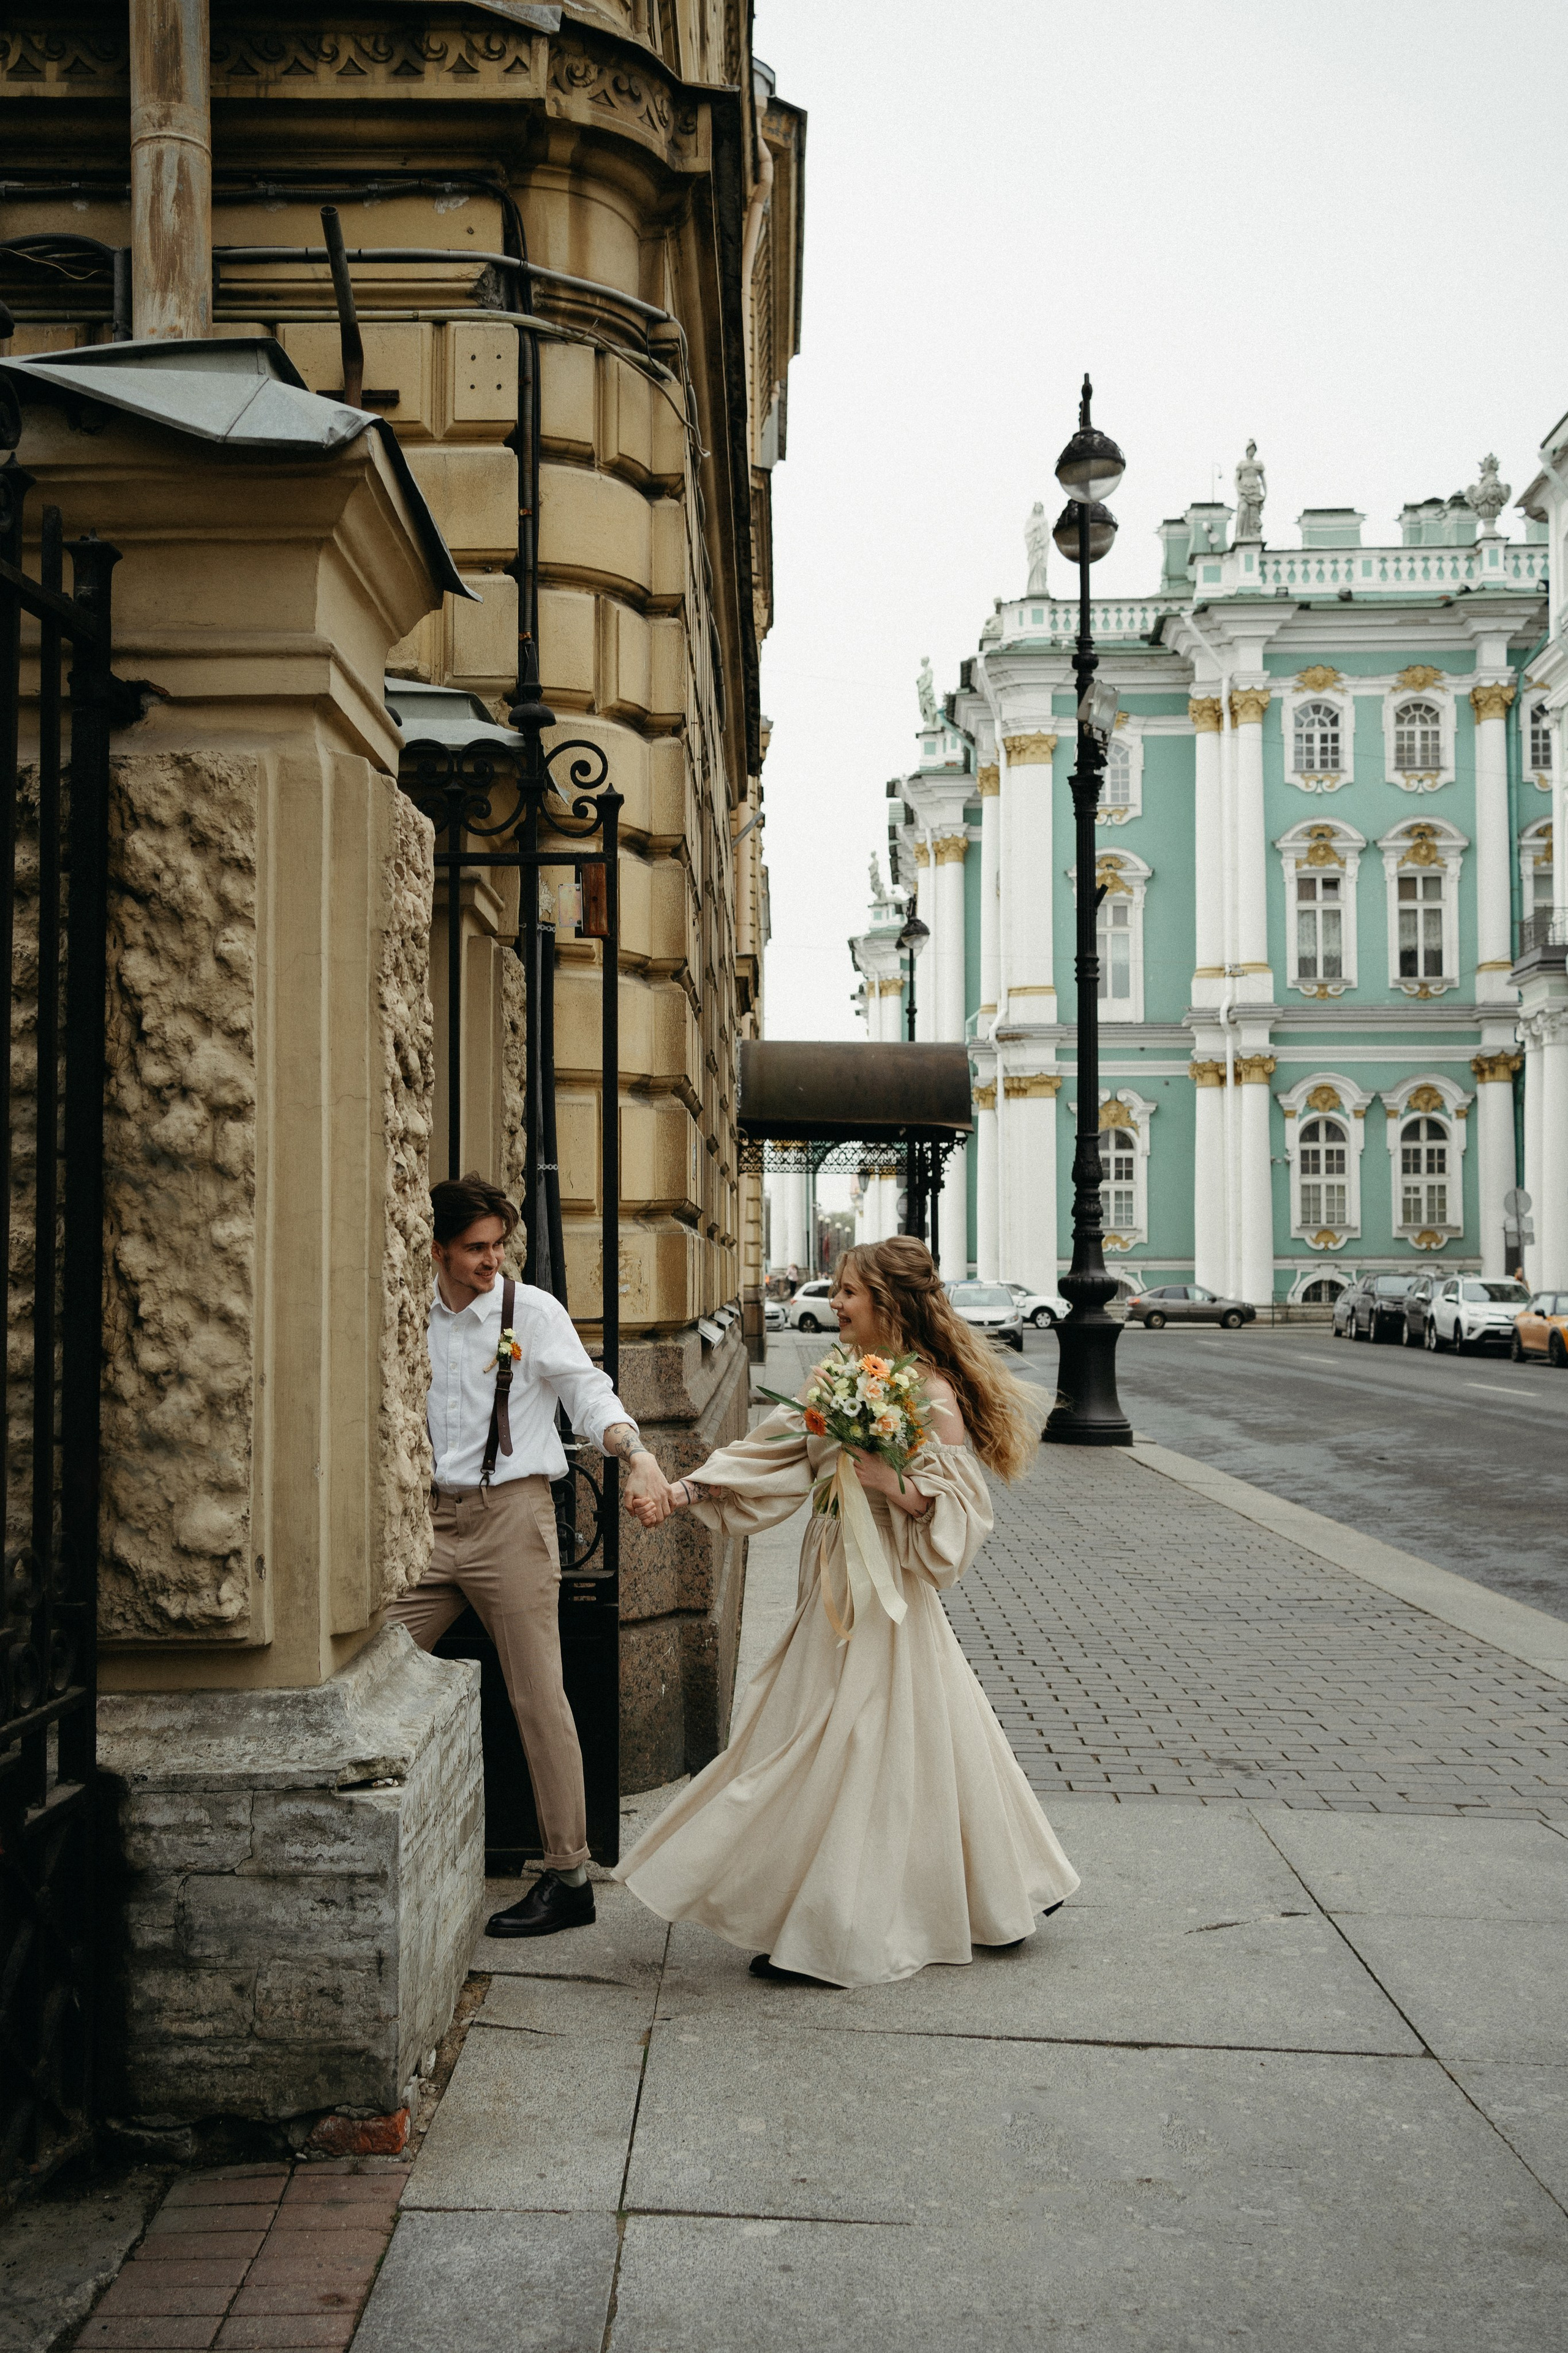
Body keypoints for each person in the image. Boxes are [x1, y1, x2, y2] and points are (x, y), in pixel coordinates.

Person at [613, 1234, 1079, 1987]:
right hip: (831, 1576)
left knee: (857, 1738)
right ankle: (1011, 1882)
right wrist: (683, 1492)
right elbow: (768, 1452)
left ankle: (834, 1928)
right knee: (909, 1732)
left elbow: (959, 1512)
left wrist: (887, 1482)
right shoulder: (838, 1379)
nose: (835, 1304)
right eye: (834, 1291)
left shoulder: (930, 1394)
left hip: (886, 1587)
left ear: (888, 1303)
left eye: (847, 1293)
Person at [387, 1173, 672, 1938]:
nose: (492, 1260)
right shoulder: (408, 1311)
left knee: (538, 1695)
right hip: (423, 1526)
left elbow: (589, 1395)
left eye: (499, 1245)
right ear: (440, 1249)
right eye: (476, 1248)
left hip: (509, 1521)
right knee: (371, 1660)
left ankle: (568, 1872)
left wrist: (636, 1454)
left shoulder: (531, 1311)